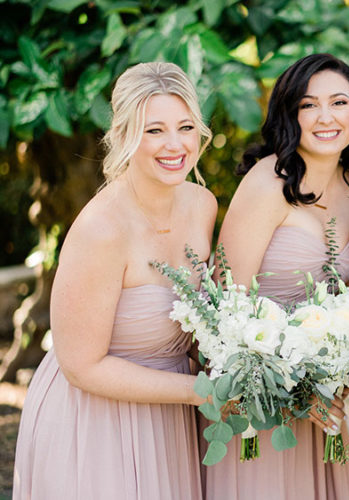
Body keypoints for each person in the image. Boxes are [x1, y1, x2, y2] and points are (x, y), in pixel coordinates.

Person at [13, 62, 217, 499]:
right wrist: (200, 390)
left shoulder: (203, 204)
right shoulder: (100, 230)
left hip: (170, 420)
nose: (175, 145)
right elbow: (82, 365)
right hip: (94, 423)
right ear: (124, 135)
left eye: (185, 127)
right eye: (154, 130)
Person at [205, 53, 349, 500]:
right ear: (290, 113)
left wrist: (337, 380)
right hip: (256, 404)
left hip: (326, 407)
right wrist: (295, 388)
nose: (325, 117)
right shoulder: (266, 184)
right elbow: (224, 307)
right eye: (307, 105)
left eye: (338, 102)